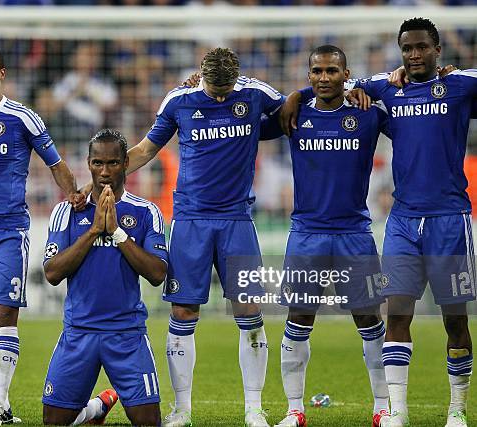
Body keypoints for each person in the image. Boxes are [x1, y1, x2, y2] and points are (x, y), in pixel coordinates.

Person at [288, 18, 476, 427]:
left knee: (455, 318)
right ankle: (397, 412)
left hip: (450, 218)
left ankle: (457, 411)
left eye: (422, 47)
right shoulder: (387, 87)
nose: (414, 55)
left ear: (438, 50)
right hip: (403, 219)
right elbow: (332, 84)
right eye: (407, 48)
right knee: (397, 314)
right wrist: (295, 97)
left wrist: (456, 70)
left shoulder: (460, 85)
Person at [124, 47, 285, 427]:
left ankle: (253, 407)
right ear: (200, 74)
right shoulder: (180, 99)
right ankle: (182, 409)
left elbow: (291, 110)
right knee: (182, 312)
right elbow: (147, 148)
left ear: (237, 78)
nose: (218, 96)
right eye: (213, 88)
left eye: (225, 89)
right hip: (190, 220)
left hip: (237, 220)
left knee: (249, 312)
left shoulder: (255, 92)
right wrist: (102, 179)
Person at [0, 46, 82, 426]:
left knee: (5, 312)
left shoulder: (21, 117)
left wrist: (75, 197)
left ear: (2, 72)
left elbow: (56, 163)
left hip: (8, 231)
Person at [263, 45, 391, 427]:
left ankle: (383, 407)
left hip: (355, 233)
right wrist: (293, 96)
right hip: (307, 233)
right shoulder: (295, 113)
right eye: (316, 71)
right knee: (298, 318)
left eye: (332, 71)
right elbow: (246, 109)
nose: (323, 77)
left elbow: (402, 101)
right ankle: (294, 409)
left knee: (368, 320)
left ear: (345, 73)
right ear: (308, 76)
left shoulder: (367, 114)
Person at [42, 129, 167, 426]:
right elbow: (52, 272)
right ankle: (97, 407)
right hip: (78, 333)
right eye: (98, 163)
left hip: (127, 335)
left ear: (126, 163)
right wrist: (95, 230)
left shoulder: (146, 212)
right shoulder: (67, 212)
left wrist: (117, 233)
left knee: (149, 423)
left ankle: (99, 405)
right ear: (88, 164)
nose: (105, 171)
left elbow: (157, 273)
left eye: (112, 163)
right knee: (53, 422)